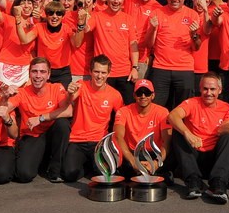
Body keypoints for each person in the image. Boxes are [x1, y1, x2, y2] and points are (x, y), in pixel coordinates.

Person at [166, 72, 229, 199]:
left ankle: (218, 183)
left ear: (220, 90)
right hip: (193, 155)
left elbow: (228, 127)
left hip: (213, 158)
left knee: (228, 137)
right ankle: (193, 180)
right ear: (200, 89)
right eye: (205, 89)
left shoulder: (226, 108)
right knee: (178, 132)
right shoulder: (192, 103)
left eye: (213, 89)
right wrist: (187, 133)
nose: (208, 93)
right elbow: (172, 116)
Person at [61, 56, 123, 184]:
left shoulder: (115, 94)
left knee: (105, 175)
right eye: (96, 71)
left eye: (103, 72)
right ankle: (86, 165)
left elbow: (122, 118)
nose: (99, 76)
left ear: (109, 74)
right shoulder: (81, 86)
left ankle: (93, 164)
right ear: (90, 72)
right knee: (70, 175)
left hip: (99, 142)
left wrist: (116, 144)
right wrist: (70, 93)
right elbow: (69, 100)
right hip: (78, 140)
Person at [13, 58, 72, 183]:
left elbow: (68, 111)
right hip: (32, 135)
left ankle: (55, 171)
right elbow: (6, 107)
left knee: (62, 124)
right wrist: (5, 96)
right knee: (24, 175)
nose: (38, 76)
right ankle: (41, 161)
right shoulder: (21, 92)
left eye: (42, 72)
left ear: (49, 74)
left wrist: (41, 118)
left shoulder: (57, 88)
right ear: (29, 73)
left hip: (51, 134)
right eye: (34, 71)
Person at [145, 0, 202, 109]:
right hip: (161, 68)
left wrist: (194, 34)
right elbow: (149, 44)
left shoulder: (192, 15)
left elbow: (196, 47)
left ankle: (181, 130)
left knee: (184, 108)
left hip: (184, 68)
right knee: (156, 107)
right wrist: (152, 29)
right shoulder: (157, 13)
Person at [86, 0, 140, 103]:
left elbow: (133, 45)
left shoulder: (128, 19)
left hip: (125, 73)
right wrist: (83, 15)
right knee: (104, 109)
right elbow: (85, 28)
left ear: (123, 0)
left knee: (127, 109)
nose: (116, 1)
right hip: (103, 74)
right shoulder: (97, 16)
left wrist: (135, 68)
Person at [113, 78, 169, 177]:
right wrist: (133, 161)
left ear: (153, 95)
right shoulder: (123, 111)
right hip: (132, 153)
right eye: (139, 93)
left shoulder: (163, 112)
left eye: (147, 93)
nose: (143, 96)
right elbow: (118, 137)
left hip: (154, 153)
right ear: (134, 95)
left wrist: (156, 163)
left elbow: (167, 141)